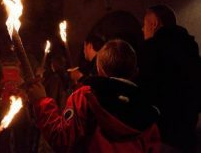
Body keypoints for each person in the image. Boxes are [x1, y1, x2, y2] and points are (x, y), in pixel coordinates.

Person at [27, 39, 161, 152]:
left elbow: (62, 140)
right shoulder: (148, 113)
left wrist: (41, 102)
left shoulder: (86, 97)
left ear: (99, 69)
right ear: (135, 72)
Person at [139, 5, 201, 152]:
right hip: (188, 130)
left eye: (144, 24)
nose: (142, 29)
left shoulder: (150, 50)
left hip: (162, 135)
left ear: (154, 23)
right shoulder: (190, 47)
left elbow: (145, 92)